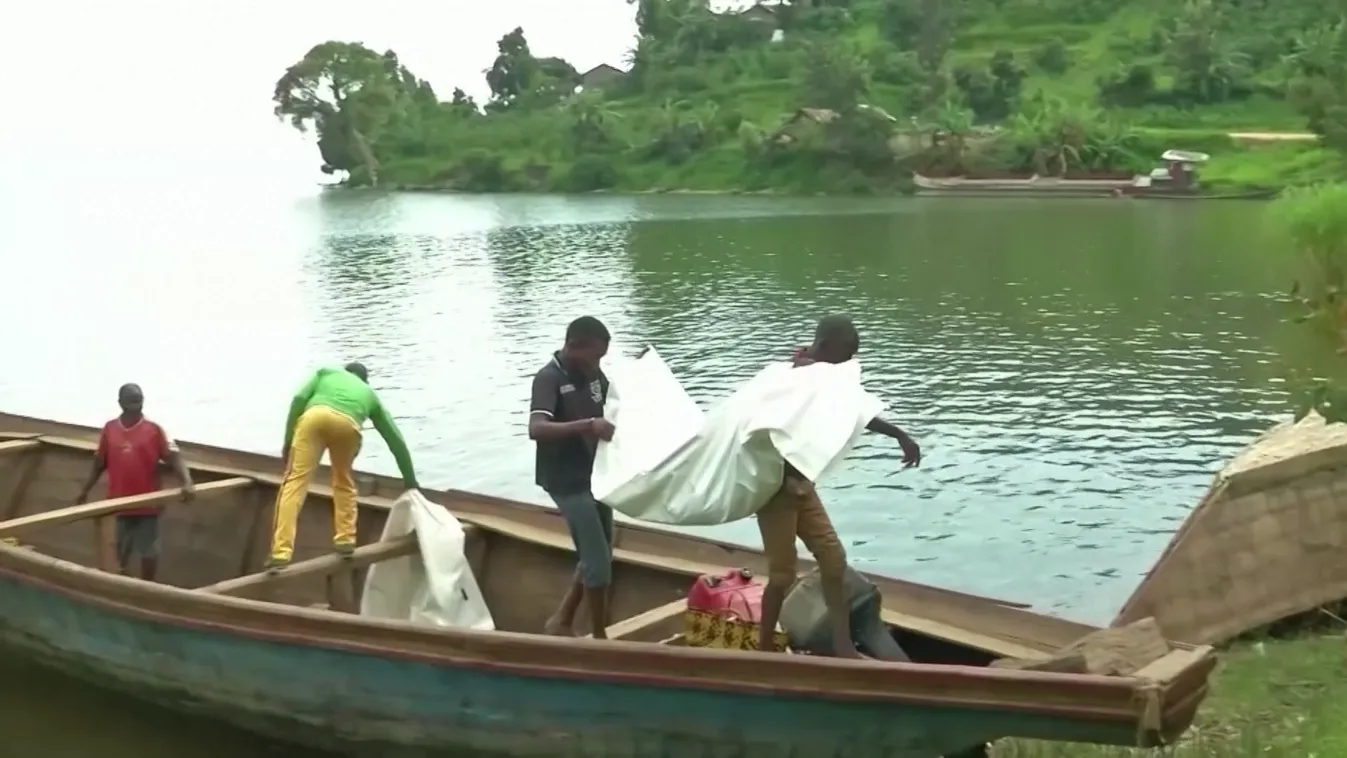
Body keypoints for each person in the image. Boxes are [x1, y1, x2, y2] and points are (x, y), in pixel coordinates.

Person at [756, 315, 922, 658]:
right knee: (783, 573)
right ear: (827, 346)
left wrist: (900, 435)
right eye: (845, 354)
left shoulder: (827, 377)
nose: (848, 362)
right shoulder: (795, 376)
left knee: (834, 561)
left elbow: (855, 412)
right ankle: (764, 647)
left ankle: (844, 644)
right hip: (776, 492)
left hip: (802, 488)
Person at [268, 362, 419, 571]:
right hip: (348, 426)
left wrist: (287, 440)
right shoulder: (370, 394)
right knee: (343, 479)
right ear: (364, 381)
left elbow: (299, 400)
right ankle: (346, 540)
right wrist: (410, 480)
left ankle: (280, 553)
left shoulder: (326, 372)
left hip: (315, 417)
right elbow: (395, 440)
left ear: (346, 372)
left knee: (296, 483)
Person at [528, 316, 617, 638]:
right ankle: (599, 638)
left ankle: (562, 620)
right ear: (574, 346)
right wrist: (588, 425)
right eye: (595, 355)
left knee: (602, 554)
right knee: (597, 561)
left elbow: (614, 405)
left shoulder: (593, 374)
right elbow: (536, 428)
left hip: (596, 475)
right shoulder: (549, 378)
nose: (598, 363)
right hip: (566, 480)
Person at [74, 383, 196, 582]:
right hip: (120, 504)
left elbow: (174, 457)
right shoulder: (110, 428)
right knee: (122, 551)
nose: (136, 406)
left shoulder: (153, 430)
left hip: (148, 504)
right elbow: (99, 462)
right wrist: (85, 491)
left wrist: (187, 482)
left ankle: (148, 587)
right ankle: (123, 581)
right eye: (131, 402)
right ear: (120, 403)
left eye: (139, 401)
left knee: (150, 552)